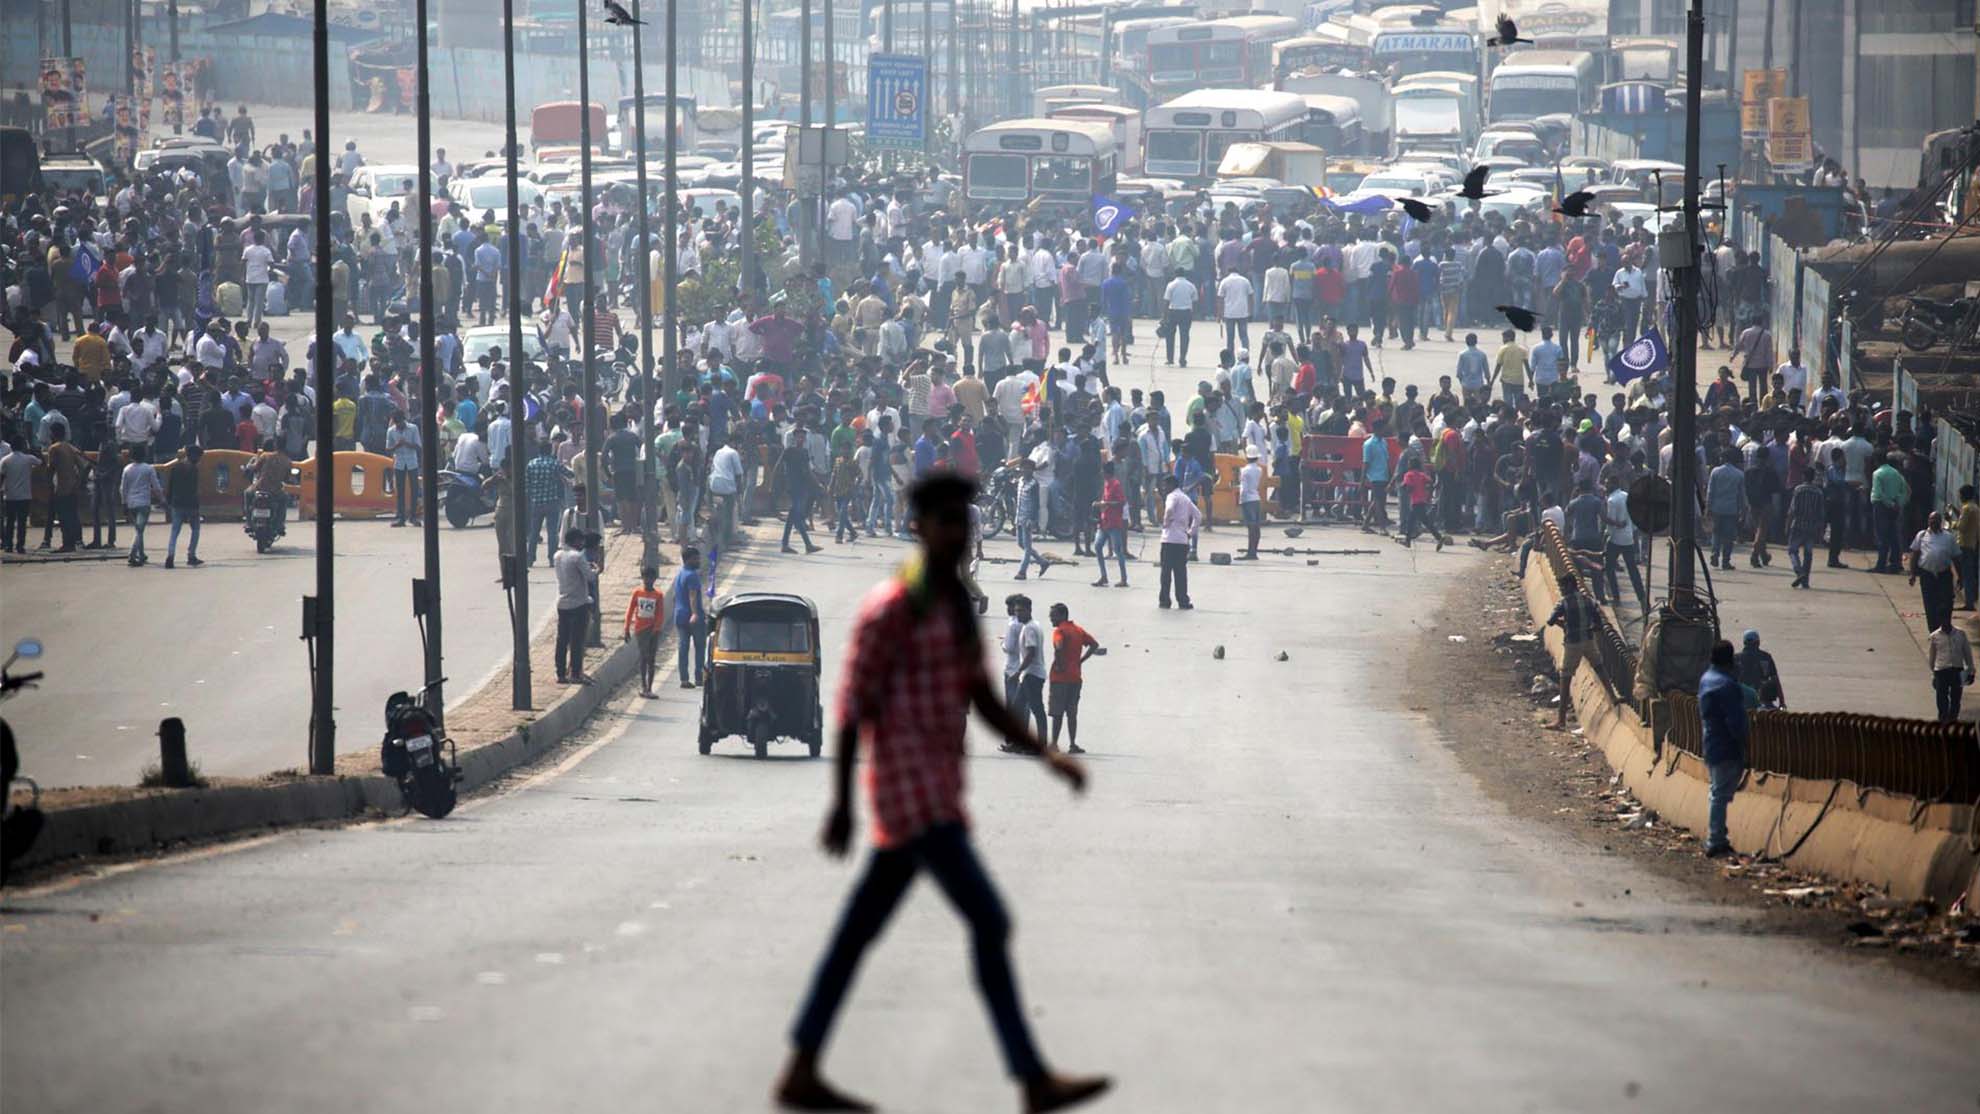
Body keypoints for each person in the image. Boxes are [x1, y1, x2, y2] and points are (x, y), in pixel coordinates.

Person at [774, 474, 1106, 1114]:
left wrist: (1050, 756)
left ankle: (803, 1066)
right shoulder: (890, 609)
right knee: (987, 919)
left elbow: (983, 699)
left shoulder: (952, 609)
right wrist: (842, 803)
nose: (957, 533)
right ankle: (1032, 1078)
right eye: (946, 521)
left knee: (858, 934)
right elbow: (851, 709)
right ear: (919, 527)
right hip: (909, 796)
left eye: (964, 522)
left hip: (936, 793)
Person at [1697, 639, 1748, 858]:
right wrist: (1745, 743)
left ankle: (1717, 835)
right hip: (1726, 745)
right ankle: (1716, 839)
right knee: (1720, 794)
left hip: (1711, 742)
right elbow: (1736, 722)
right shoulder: (1727, 685)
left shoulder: (1707, 679)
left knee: (1717, 792)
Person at [1046, 602, 1101, 755]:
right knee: (1072, 712)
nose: (1051, 619)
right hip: (1075, 677)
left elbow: (1058, 646)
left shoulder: (1059, 631)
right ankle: (1072, 744)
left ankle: (1054, 743)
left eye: (1053, 615)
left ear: (1062, 615)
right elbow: (1094, 645)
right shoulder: (1077, 630)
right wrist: (1080, 661)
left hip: (1060, 678)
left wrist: (1059, 663)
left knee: (1057, 713)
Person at [1544, 573, 1597, 730]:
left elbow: (1551, 620)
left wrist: (1565, 626)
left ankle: (1561, 721)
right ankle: (1614, 698)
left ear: (1568, 586)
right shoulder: (1588, 600)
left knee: (1565, 680)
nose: (1560, 590)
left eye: (1562, 587)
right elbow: (1598, 622)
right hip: (1588, 640)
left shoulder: (1564, 603)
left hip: (1572, 643)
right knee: (1600, 668)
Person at [553, 528, 596, 685]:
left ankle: (560, 672)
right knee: (577, 640)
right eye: (580, 540)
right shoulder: (577, 557)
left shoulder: (557, 556)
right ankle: (576, 673)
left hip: (563, 602)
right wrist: (597, 569)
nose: (582, 543)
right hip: (578, 603)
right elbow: (590, 577)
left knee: (562, 639)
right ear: (575, 541)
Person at [1909, 510, 1958, 636]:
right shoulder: (1921, 535)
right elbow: (1915, 555)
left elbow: (1956, 558)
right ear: (1928, 521)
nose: (1933, 522)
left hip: (1944, 575)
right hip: (1927, 575)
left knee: (1946, 603)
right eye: (1931, 519)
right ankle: (1933, 633)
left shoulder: (1948, 537)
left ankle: (1945, 629)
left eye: (1936, 520)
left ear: (1940, 522)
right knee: (1930, 605)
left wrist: (1960, 577)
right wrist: (1912, 574)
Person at [623, 565, 666, 698]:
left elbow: (660, 614)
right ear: (642, 578)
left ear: (654, 579)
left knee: (651, 659)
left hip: (653, 630)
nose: (648, 580)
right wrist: (626, 628)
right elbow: (630, 611)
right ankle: (643, 685)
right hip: (640, 630)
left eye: (651, 578)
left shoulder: (658, 595)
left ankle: (649, 687)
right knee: (643, 657)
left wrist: (656, 629)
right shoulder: (637, 593)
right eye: (645, 578)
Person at [1157, 474, 1199, 610]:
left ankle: (1164, 600)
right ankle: (1183, 600)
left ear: (1171, 485)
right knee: (1180, 572)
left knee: (1166, 572)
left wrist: (1166, 522)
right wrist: (1191, 532)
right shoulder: (1185, 498)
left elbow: (1169, 509)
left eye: (1165, 486)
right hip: (1182, 540)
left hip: (1169, 539)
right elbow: (1198, 515)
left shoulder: (1172, 496)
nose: (1163, 488)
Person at [120, 445, 164, 567]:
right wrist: (162, 499)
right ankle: (132, 555)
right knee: (140, 530)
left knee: (138, 529)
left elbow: (123, 488)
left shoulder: (127, 469)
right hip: (144, 503)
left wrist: (124, 503)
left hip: (131, 503)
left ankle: (142, 554)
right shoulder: (148, 468)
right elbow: (156, 486)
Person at [162, 444, 205, 569]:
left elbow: (170, 486)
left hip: (177, 503)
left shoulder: (176, 468)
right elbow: (195, 489)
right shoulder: (194, 469)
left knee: (175, 531)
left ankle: (170, 556)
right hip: (191, 504)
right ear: (194, 456)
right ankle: (191, 555)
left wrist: (168, 502)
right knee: (195, 529)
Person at [672, 546, 707, 688]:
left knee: (683, 647)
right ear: (688, 560)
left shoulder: (680, 573)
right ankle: (699, 677)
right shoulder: (692, 575)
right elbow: (692, 596)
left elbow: (675, 597)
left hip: (679, 615)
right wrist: (695, 613)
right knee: (700, 646)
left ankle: (684, 679)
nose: (698, 560)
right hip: (692, 617)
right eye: (696, 558)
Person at [1927, 617, 1975, 723]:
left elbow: (1967, 653)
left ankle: (1953, 719)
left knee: (1956, 698)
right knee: (1941, 697)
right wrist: (1934, 674)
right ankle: (1943, 720)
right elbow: (1931, 658)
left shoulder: (1960, 633)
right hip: (1941, 670)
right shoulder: (1934, 636)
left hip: (1957, 670)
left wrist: (1971, 671)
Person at [1785, 466, 1824, 590]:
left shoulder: (1798, 490)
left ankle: (1798, 571)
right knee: (1808, 553)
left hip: (1797, 524)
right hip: (1811, 526)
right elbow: (1821, 513)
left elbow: (1792, 510)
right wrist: (1820, 530)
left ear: (1803, 476)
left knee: (1792, 550)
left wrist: (1787, 525)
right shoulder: (1818, 492)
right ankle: (1805, 580)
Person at [1091, 459, 1128, 587]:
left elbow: (1122, 502)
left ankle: (1124, 578)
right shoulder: (1106, 484)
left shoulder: (1116, 484)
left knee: (1118, 550)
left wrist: (1106, 504)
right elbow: (1104, 499)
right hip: (1104, 521)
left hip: (1114, 522)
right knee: (1097, 546)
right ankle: (1103, 576)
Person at [385, 411, 421, 526]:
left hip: (412, 462)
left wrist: (406, 443)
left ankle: (413, 516)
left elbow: (418, 446)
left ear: (403, 420)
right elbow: (388, 449)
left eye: (400, 423)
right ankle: (401, 517)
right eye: (397, 424)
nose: (399, 426)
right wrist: (397, 445)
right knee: (400, 490)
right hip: (399, 462)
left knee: (414, 489)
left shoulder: (413, 428)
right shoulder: (391, 431)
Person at [1734, 630, 1784, 709]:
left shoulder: (1736, 658)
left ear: (1744, 642)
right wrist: (1782, 702)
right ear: (1758, 642)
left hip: (1742, 698)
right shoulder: (1766, 657)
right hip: (1763, 699)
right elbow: (1775, 680)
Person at [1236, 446, 1265, 559]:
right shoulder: (1259, 470)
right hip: (1256, 498)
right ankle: (1254, 551)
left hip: (1248, 500)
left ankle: (1250, 552)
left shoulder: (1244, 471)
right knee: (1256, 527)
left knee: (1250, 527)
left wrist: (1241, 500)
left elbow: (1244, 488)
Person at [1957, 485, 1980, 610]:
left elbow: (1962, 526)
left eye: (1960, 495)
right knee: (1970, 574)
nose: (1959, 497)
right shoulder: (1975, 507)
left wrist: (1952, 522)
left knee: (1966, 574)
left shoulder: (1966, 508)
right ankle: (1971, 600)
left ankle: (1969, 603)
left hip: (1965, 543)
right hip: (1973, 543)